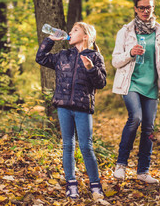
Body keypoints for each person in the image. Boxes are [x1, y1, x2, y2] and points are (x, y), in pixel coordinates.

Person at [36, 22, 107, 199]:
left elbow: (101, 83)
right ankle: (71, 184)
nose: (69, 32)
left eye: (75, 30)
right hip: (63, 106)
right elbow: (41, 58)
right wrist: (50, 40)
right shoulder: (62, 55)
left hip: (82, 107)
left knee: (86, 146)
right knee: (68, 145)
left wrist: (91, 68)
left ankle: (95, 185)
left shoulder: (95, 56)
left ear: (85, 36)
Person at [111, 0, 160, 183]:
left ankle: (143, 172)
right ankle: (121, 165)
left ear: (153, 8)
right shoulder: (126, 31)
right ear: (135, 9)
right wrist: (130, 53)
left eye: (149, 7)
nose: (145, 11)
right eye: (142, 7)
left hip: (152, 85)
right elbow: (115, 61)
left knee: (149, 128)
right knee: (135, 118)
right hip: (131, 83)